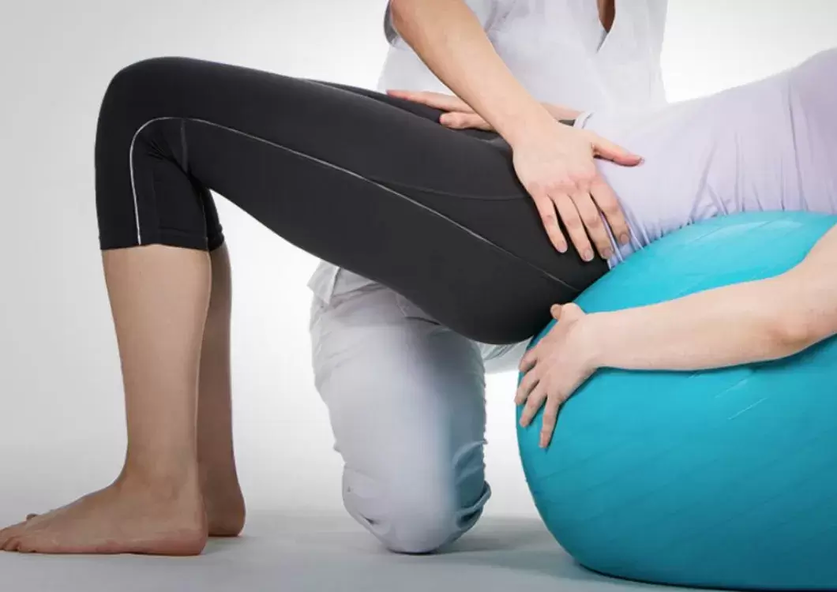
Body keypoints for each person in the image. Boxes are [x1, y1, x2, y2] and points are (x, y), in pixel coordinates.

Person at [0, 35, 835, 560]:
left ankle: (156, 485)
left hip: (542, 230)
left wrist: (600, 340)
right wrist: (551, 122)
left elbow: (799, 309)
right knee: (174, 118)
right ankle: (202, 482)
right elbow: (744, 144)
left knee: (153, 109)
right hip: (549, 170)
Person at [309, 0, 668, 554]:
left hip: (570, 290)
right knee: (419, 517)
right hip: (412, 276)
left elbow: (639, 139)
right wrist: (530, 132)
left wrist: (564, 124)